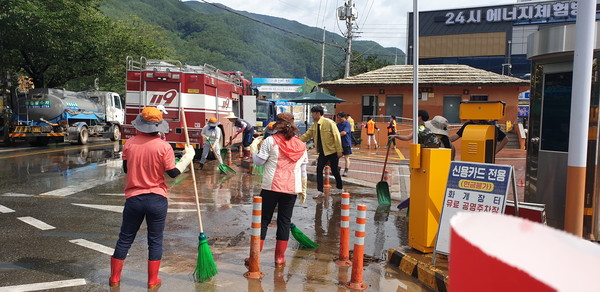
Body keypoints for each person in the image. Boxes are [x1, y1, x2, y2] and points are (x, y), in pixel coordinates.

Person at [110, 107, 195, 289]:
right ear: (158, 127)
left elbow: (126, 168)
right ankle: (152, 280)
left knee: (125, 238)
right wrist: (188, 158)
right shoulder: (164, 147)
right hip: (157, 199)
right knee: (155, 240)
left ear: (140, 125)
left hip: (134, 198)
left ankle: (114, 278)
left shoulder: (130, 144)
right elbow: (172, 173)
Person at [252, 112, 308, 268]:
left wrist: (254, 151)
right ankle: (280, 258)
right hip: (291, 189)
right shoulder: (301, 145)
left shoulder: (270, 141)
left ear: (278, 125)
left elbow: (259, 162)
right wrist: (303, 189)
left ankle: (255, 257)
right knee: (284, 221)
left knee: (263, 220)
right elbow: (303, 170)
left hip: (271, 187)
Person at [300, 105, 344, 194]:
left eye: (313, 113)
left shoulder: (330, 123)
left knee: (334, 170)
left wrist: (339, 150)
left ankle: (339, 188)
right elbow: (308, 135)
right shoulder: (315, 125)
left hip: (332, 151)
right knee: (319, 169)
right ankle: (320, 190)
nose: (312, 116)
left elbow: (337, 136)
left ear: (318, 113)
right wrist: (296, 141)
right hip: (322, 151)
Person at [336, 112, 353, 177]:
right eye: (338, 118)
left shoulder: (347, 124)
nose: (339, 119)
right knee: (336, 157)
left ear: (343, 117)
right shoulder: (338, 124)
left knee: (346, 157)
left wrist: (336, 135)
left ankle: (346, 171)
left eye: (340, 118)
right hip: (339, 143)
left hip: (346, 143)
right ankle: (336, 169)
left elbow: (344, 133)